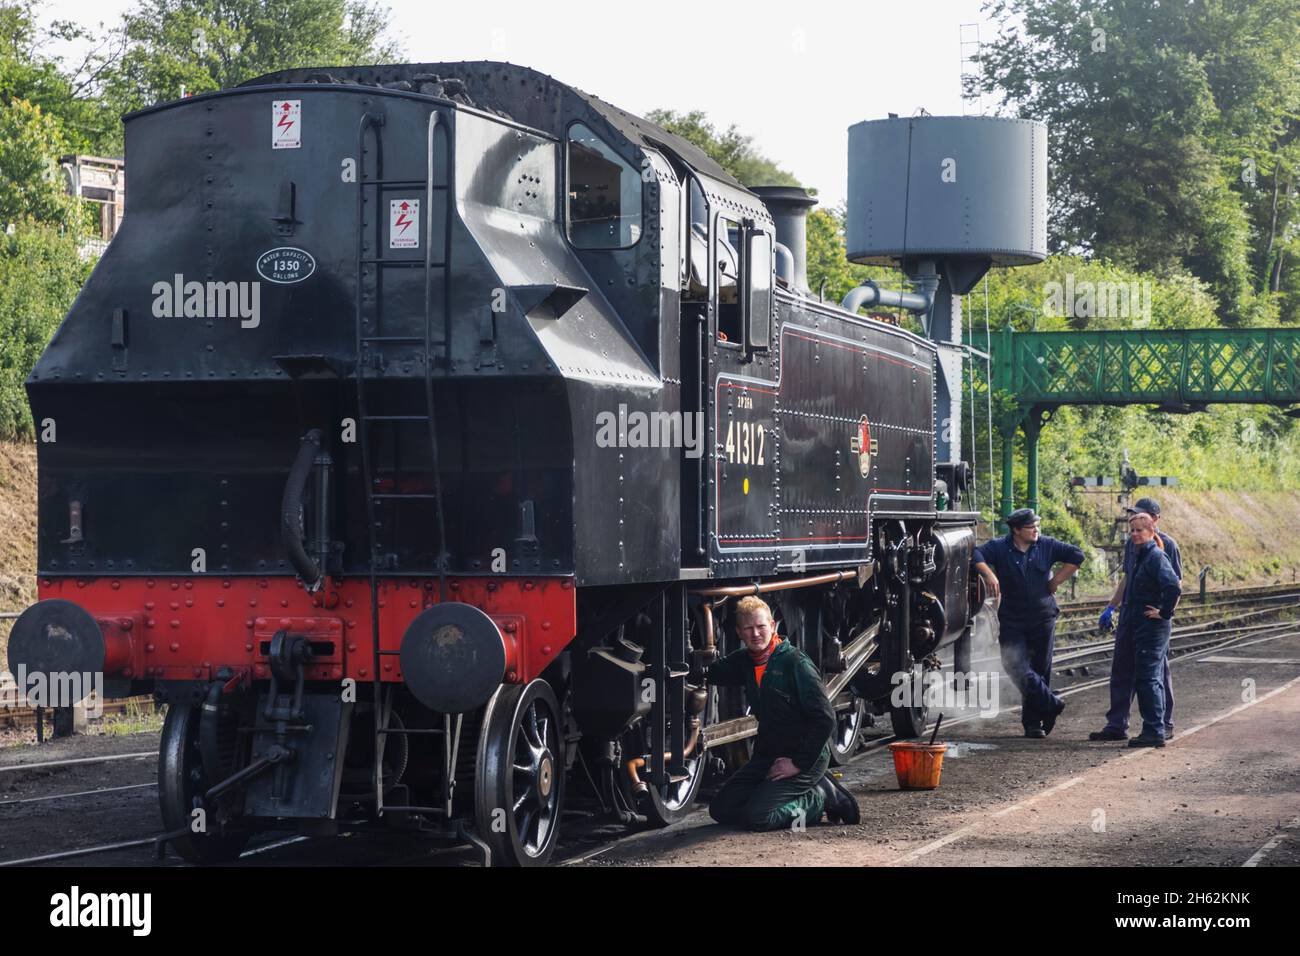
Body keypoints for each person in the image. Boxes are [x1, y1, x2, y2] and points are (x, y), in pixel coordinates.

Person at [707, 595, 860, 830]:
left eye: (761, 627)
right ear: (739, 632)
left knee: (757, 818)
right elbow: (712, 672)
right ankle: (774, 795)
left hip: (805, 757)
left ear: (773, 626)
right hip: (768, 755)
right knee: (721, 809)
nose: (756, 634)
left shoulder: (795, 663)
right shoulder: (745, 661)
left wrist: (798, 763)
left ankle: (821, 798)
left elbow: (825, 718)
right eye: (748, 629)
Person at [973, 509, 1085, 738]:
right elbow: (975, 554)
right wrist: (989, 575)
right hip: (1012, 618)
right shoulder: (1000, 547)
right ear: (1016, 530)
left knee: (1040, 669)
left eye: (1037, 526)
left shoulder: (1046, 545)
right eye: (1031, 527)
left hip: (1043, 617)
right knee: (1013, 664)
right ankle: (1052, 704)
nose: (1036, 530)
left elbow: (1077, 555)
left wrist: (1056, 580)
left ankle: (1034, 724)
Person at [1091, 497, 1182, 742]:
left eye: (1140, 523)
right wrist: (1111, 606)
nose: (1134, 531)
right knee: (1122, 670)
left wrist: (1164, 613)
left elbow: (1175, 584)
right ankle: (1117, 724)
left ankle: (1161, 725)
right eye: (1132, 525)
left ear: (1154, 522)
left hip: (1150, 620)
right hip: (1130, 616)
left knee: (1153, 674)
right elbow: (1128, 577)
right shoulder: (1134, 544)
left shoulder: (1165, 547)